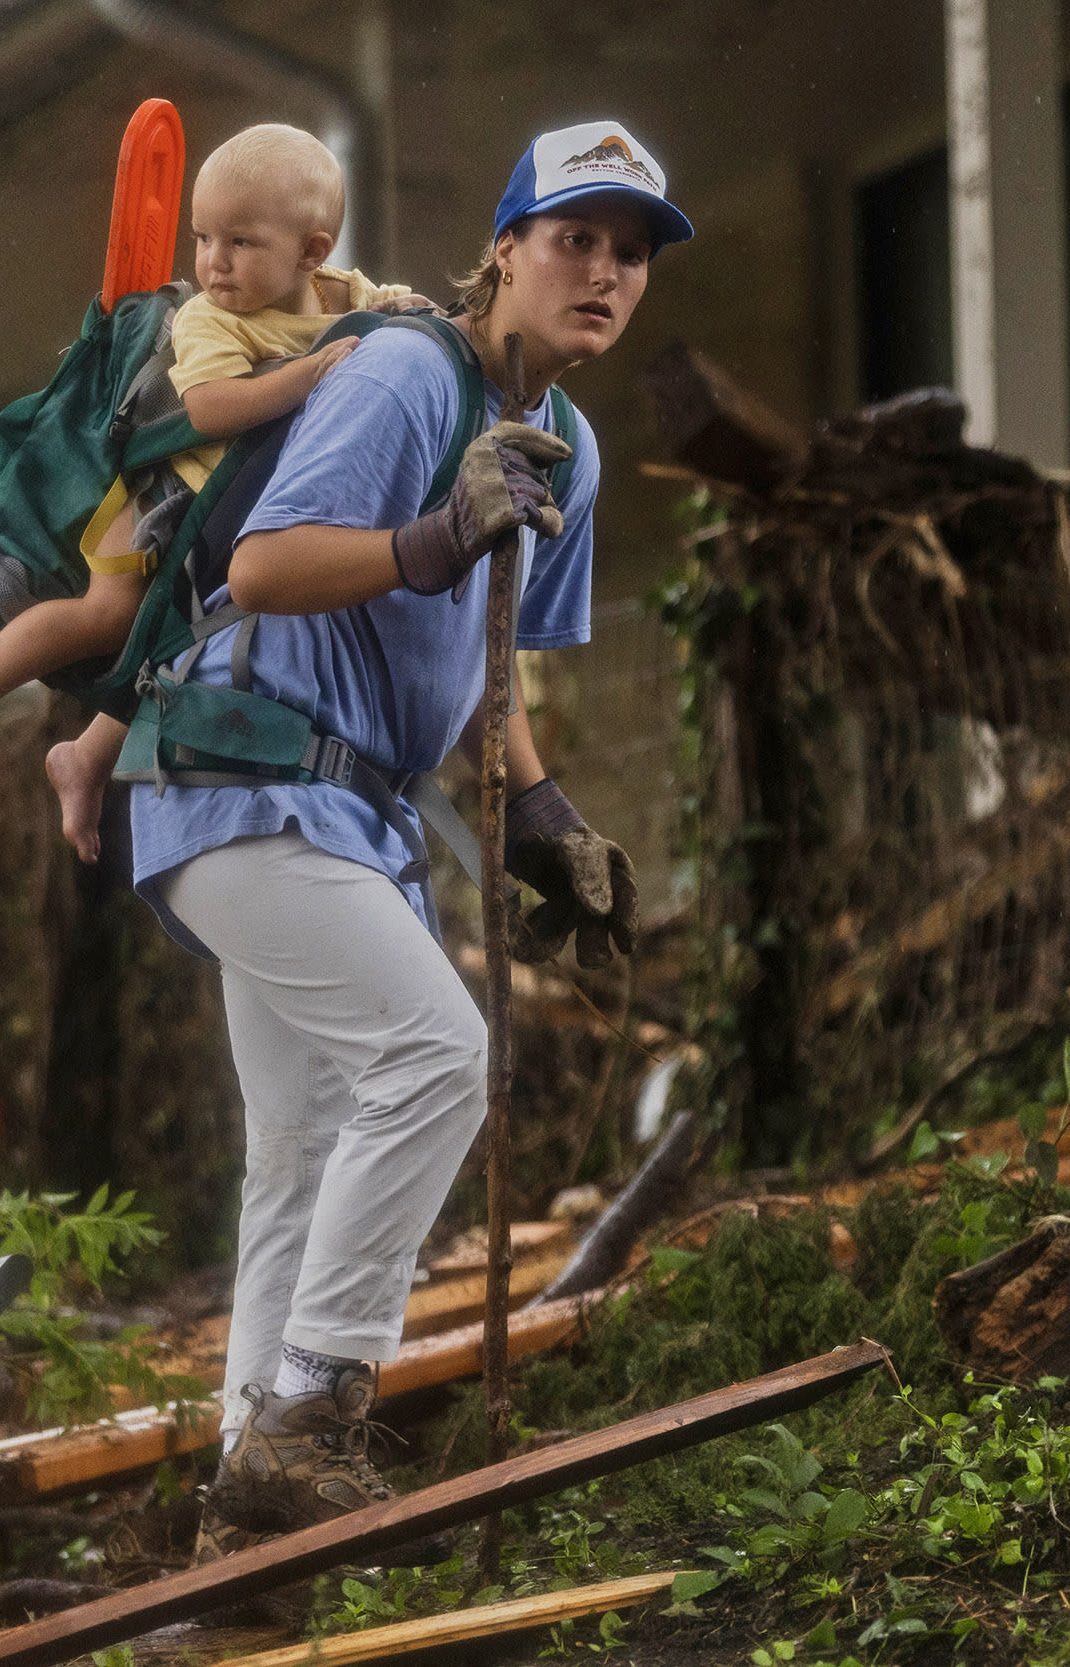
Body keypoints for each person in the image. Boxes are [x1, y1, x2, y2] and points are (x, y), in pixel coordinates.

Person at [125, 120, 692, 1560]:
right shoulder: (402, 371)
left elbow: (489, 673)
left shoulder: (569, 447)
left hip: (347, 812)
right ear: (504, 250)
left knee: (301, 1152)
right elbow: (264, 566)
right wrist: (430, 537)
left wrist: (543, 815)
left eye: (631, 254)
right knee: (441, 1053)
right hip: (239, 771)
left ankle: (246, 1535)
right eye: (575, 238)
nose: (604, 272)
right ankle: (312, 1408)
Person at [0, 123, 418, 809]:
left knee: (178, 645)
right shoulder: (213, 319)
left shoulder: (340, 294)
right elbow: (208, 408)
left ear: (312, 253)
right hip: (164, 497)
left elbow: (385, 305)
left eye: (240, 243)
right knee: (107, 615)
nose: (214, 263)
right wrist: (304, 375)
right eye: (202, 238)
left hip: (232, 509)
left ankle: (85, 759)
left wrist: (411, 312)